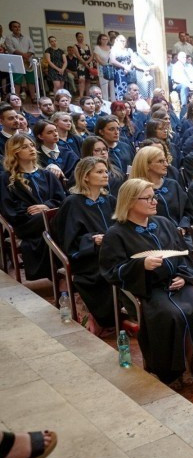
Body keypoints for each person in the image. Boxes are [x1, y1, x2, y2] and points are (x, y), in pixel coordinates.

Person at [98, 178, 193, 387]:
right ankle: (172, 370)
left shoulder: (164, 223)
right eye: (148, 198)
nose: (155, 202)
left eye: (154, 197)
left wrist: (183, 276)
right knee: (171, 316)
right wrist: (141, 266)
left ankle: (192, 361)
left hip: (177, 283)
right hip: (148, 289)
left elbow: (183, 254)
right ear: (130, 202)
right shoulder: (116, 234)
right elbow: (112, 271)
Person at [51, 156, 117, 332]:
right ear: (86, 176)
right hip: (87, 257)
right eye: (99, 172)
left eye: (106, 171)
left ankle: (129, 310)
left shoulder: (109, 200)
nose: (106, 174)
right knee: (112, 271)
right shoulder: (72, 203)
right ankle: (110, 317)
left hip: (111, 251)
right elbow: (67, 239)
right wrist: (92, 240)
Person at [1, 134, 66, 281]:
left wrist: (47, 206)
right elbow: (8, 208)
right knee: (57, 222)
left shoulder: (47, 175)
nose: (31, 149)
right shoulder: (6, 179)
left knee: (56, 220)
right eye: (25, 147)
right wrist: (33, 212)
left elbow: (62, 200)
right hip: (26, 222)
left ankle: (62, 275)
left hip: (51, 218)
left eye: (32, 145)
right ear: (15, 152)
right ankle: (63, 275)